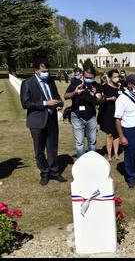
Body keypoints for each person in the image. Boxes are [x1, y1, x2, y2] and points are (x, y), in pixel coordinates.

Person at [20, 58, 67, 186]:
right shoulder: (27, 83)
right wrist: (46, 103)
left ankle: (54, 172)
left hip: (52, 120)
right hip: (37, 122)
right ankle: (45, 173)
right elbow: (25, 103)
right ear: (36, 71)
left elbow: (56, 96)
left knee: (52, 148)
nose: (46, 73)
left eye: (47, 70)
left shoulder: (50, 81)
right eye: (43, 71)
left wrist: (59, 103)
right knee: (39, 150)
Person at [64, 66, 103, 158]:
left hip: (91, 117)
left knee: (92, 142)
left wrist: (94, 95)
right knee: (79, 143)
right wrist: (75, 92)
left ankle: (91, 160)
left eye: (91, 78)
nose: (88, 79)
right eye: (87, 77)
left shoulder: (97, 85)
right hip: (77, 116)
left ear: (94, 77)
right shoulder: (76, 83)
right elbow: (66, 96)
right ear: (83, 75)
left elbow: (99, 100)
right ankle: (81, 162)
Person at [100, 69, 122, 161]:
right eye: (115, 77)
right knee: (109, 134)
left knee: (117, 134)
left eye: (118, 77)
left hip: (118, 113)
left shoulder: (120, 87)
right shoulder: (105, 87)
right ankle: (109, 155)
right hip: (108, 112)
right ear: (110, 78)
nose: (117, 78)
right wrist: (110, 99)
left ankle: (116, 153)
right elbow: (101, 100)